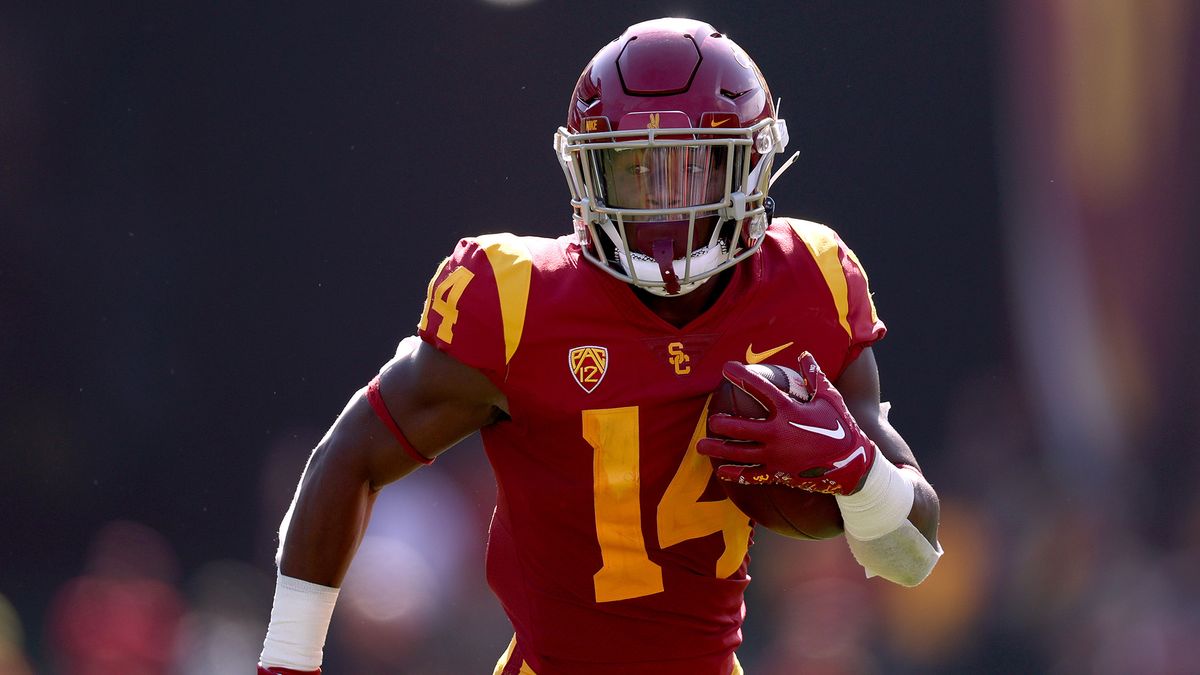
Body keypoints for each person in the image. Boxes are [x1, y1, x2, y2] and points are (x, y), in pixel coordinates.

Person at [258, 17, 942, 675]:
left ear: (751, 166)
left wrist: (858, 469)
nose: (662, 206)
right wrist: (287, 659)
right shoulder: (519, 299)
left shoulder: (807, 280)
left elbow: (910, 556)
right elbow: (346, 458)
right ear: (587, 173)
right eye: (635, 172)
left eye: (692, 171)